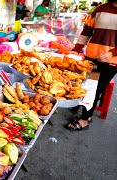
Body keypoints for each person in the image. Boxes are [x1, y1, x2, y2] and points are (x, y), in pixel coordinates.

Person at [66, 0, 117, 131]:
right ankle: (86, 115)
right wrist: (76, 49)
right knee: (88, 86)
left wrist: (112, 53)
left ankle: (84, 119)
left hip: (112, 61)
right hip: (92, 57)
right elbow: (87, 31)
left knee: (97, 88)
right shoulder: (99, 9)